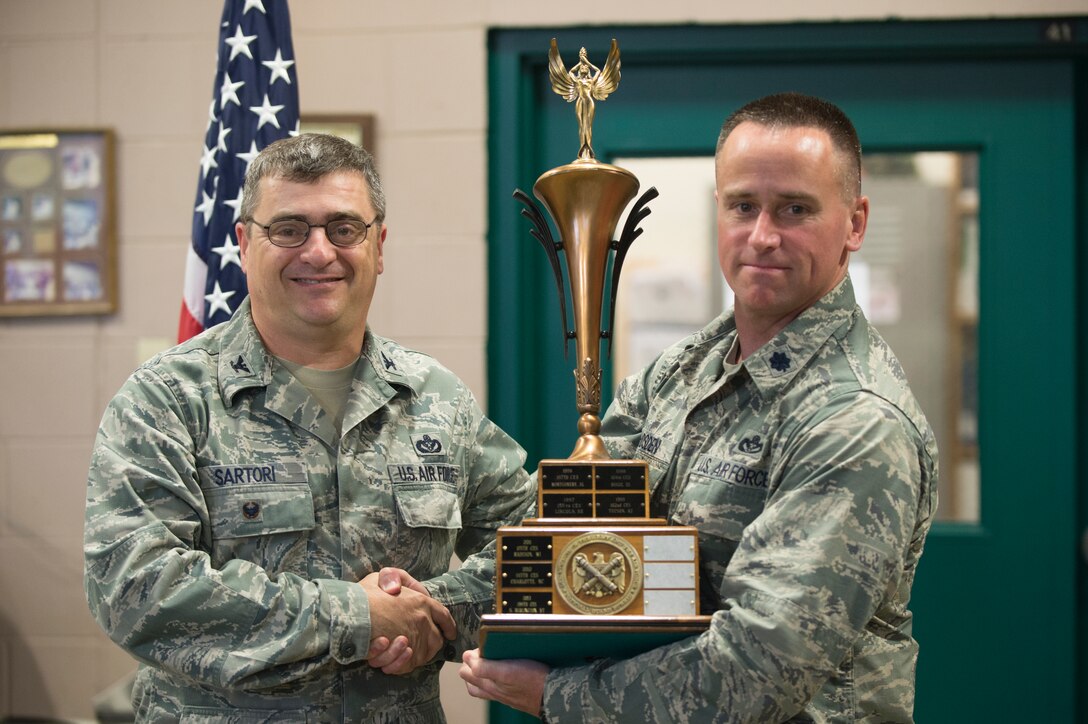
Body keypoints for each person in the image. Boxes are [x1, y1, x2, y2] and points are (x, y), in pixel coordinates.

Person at [459, 92, 939, 722]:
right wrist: (433, 611)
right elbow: (570, 532)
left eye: (795, 209)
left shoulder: (854, 421)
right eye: (744, 206)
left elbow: (760, 668)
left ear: (854, 222)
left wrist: (557, 696)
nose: (762, 236)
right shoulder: (681, 373)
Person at [84, 133, 535, 722]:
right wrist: (358, 616)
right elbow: (132, 587)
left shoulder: (437, 398)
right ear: (245, 243)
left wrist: (437, 613)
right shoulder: (168, 400)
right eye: (289, 229)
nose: (319, 252)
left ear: (379, 245)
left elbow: (536, 547)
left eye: (344, 229)